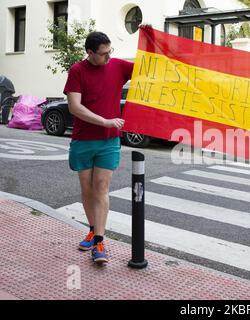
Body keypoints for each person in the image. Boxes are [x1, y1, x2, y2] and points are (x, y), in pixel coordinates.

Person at [64, 31, 134, 264]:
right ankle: (93, 229)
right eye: (103, 54)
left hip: (109, 141)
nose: (108, 57)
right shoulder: (77, 71)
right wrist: (104, 121)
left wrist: (149, 34)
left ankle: (99, 242)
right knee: (87, 190)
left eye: (109, 51)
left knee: (101, 187)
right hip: (83, 139)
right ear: (90, 53)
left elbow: (148, 65)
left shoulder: (117, 66)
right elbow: (74, 107)